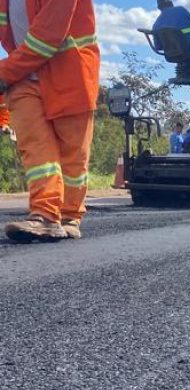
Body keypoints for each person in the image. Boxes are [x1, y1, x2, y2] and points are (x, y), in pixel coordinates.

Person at [1, 0, 100, 242]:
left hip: (69, 75)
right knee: (36, 149)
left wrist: (4, 73)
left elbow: (47, 38)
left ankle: (69, 215)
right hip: (22, 79)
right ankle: (44, 214)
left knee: (72, 155)